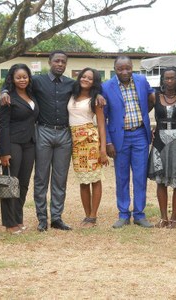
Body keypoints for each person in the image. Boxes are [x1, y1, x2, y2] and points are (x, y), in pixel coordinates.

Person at [1, 50, 74, 231]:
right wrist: (3, 90)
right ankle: (42, 219)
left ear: (66, 64)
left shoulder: (71, 84)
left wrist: (99, 95)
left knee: (60, 179)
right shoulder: (38, 81)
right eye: (56, 61)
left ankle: (56, 217)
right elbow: (16, 82)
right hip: (43, 132)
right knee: (41, 178)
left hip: (64, 134)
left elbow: (90, 89)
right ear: (49, 62)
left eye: (63, 62)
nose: (59, 64)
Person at [103, 56, 156, 228]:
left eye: (128, 68)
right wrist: (108, 142)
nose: (124, 72)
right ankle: (124, 214)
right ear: (115, 69)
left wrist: (144, 117)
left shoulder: (141, 81)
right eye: (120, 69)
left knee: (140, 176)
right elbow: (103, 118)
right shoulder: (106, 87)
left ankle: (139, 214)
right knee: (122, 177)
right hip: (119, 137)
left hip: (140, 134)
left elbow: (151, 98)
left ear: (132, 67)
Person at [0, 64, 39, 234]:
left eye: (25, 76)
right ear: (12, 79)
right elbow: (3, 125)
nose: (22, 80)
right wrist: (4, 151)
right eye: (18, 77)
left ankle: (18, 219)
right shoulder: (8, 98)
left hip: (30, 143)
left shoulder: (31, 94)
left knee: (23, 184)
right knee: (10, 183)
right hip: (13, 144)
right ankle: (9, 223)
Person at [147, 67, 176, 229]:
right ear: (162, 80)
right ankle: (163, 217)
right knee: (161, 180)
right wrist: (150, 129)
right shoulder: (154, 97)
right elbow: (144, 114)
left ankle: (174, 218)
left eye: (173, 78)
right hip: (159, 139)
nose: (170, 81)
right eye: (167, 78)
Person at [68, 68, 109, 228]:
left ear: (94, 82)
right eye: (83, 76)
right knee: (83, 180)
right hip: (75, 142)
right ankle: (86, 215)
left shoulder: (96, 99)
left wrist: (103, 149)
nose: (85, 79)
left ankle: (93, 216)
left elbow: (101, 125)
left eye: (90, 78)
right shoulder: (72, 94)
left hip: (90, 141)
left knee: (95, 179)